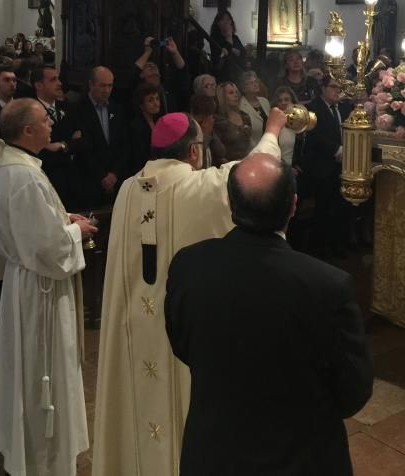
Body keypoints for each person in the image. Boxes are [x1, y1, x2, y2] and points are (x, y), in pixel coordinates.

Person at [92, 108, 287, 476]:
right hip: (180, 331)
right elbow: (254, 171)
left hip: (132, 326)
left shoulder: (127, 190)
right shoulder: (201, 188)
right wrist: (274, 129)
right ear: (194, 152)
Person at [165, 153, 373, 475]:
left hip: (214, 453)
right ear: (293, 205)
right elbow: (353, 392)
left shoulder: (188, 265)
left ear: (231, 205)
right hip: (302, 457)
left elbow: (183, 345)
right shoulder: (328, 287)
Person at [0, 99, 97, 476]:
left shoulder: (6, 168)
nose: (52, 125)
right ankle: (44, 458)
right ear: (27, 131)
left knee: (25, 365)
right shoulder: (26, 176)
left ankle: (24, 447)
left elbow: (24, 225)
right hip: (41, 286)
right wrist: (75, 231)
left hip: (23, 280)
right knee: (42, 367)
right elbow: (48, 247)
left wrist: (62, 218)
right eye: (45, 120)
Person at [303, 74, 354, 258]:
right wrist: (336, 149)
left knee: (340, 208)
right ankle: (319, 248)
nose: (337, 91)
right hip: (321, 166)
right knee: (323, 208)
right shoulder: (312, 108)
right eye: (333, 87)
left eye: (339, 88)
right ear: (323, 88)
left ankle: (337, 244)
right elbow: (313, 135)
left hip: (343, 166)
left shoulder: (345, 107)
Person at [71, 66, 128, 208]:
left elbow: (125, 145)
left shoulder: (117, 109)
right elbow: (83, 149)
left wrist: (114, 174)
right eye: (102, 85)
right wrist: (102, 177)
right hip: (89, 181)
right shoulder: (77, 110)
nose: (107, 90)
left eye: (110, 86)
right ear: (91, 84)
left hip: (116, 179)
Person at [30, 65, 78, 207]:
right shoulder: (32, 112)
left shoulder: (68, 107)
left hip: (71, 178)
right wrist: (70, 142)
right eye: (53, 80)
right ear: (39, 85)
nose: (60, 83)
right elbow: (39, 150)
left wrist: (62, 145)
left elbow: (84, 141)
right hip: (48, 177)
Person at [127, 81, 161, 175]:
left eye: (157, 99)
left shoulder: (160, 121)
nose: (156, 103)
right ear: (141, 105)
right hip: (143, 172)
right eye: (150, 100)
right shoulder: (135, 126)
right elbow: (138, 156)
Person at [213, 81, 251, 162]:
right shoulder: (218, 120)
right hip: (228, 166)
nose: (236, 95)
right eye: (231, 93)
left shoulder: (245, 117)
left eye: (237, 92)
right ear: (222, 97)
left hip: (247, 162)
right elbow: (217, 151)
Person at [209, 10, 246, 84]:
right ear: (218, 23)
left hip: (237, 70)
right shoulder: (215, 37)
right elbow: (223, 55)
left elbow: (243, 52)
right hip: (223, 72)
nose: (226, 22)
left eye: (228, 19)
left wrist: (234, 50)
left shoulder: (235, 37)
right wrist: (229, 38)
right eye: (222, 19)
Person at [189, 94, 224, 169]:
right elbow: (198, 163)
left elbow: (221, 152)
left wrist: (209, 133)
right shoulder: (189, 131)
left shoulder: (210, 124)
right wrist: (205, 133)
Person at [238, 70, 270, 148]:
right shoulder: (240, 105)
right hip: (251, 148)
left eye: (256, 81)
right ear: (244, 88)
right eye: (251, 83)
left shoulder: (264, 101)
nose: (255, 84)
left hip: (268, 145)